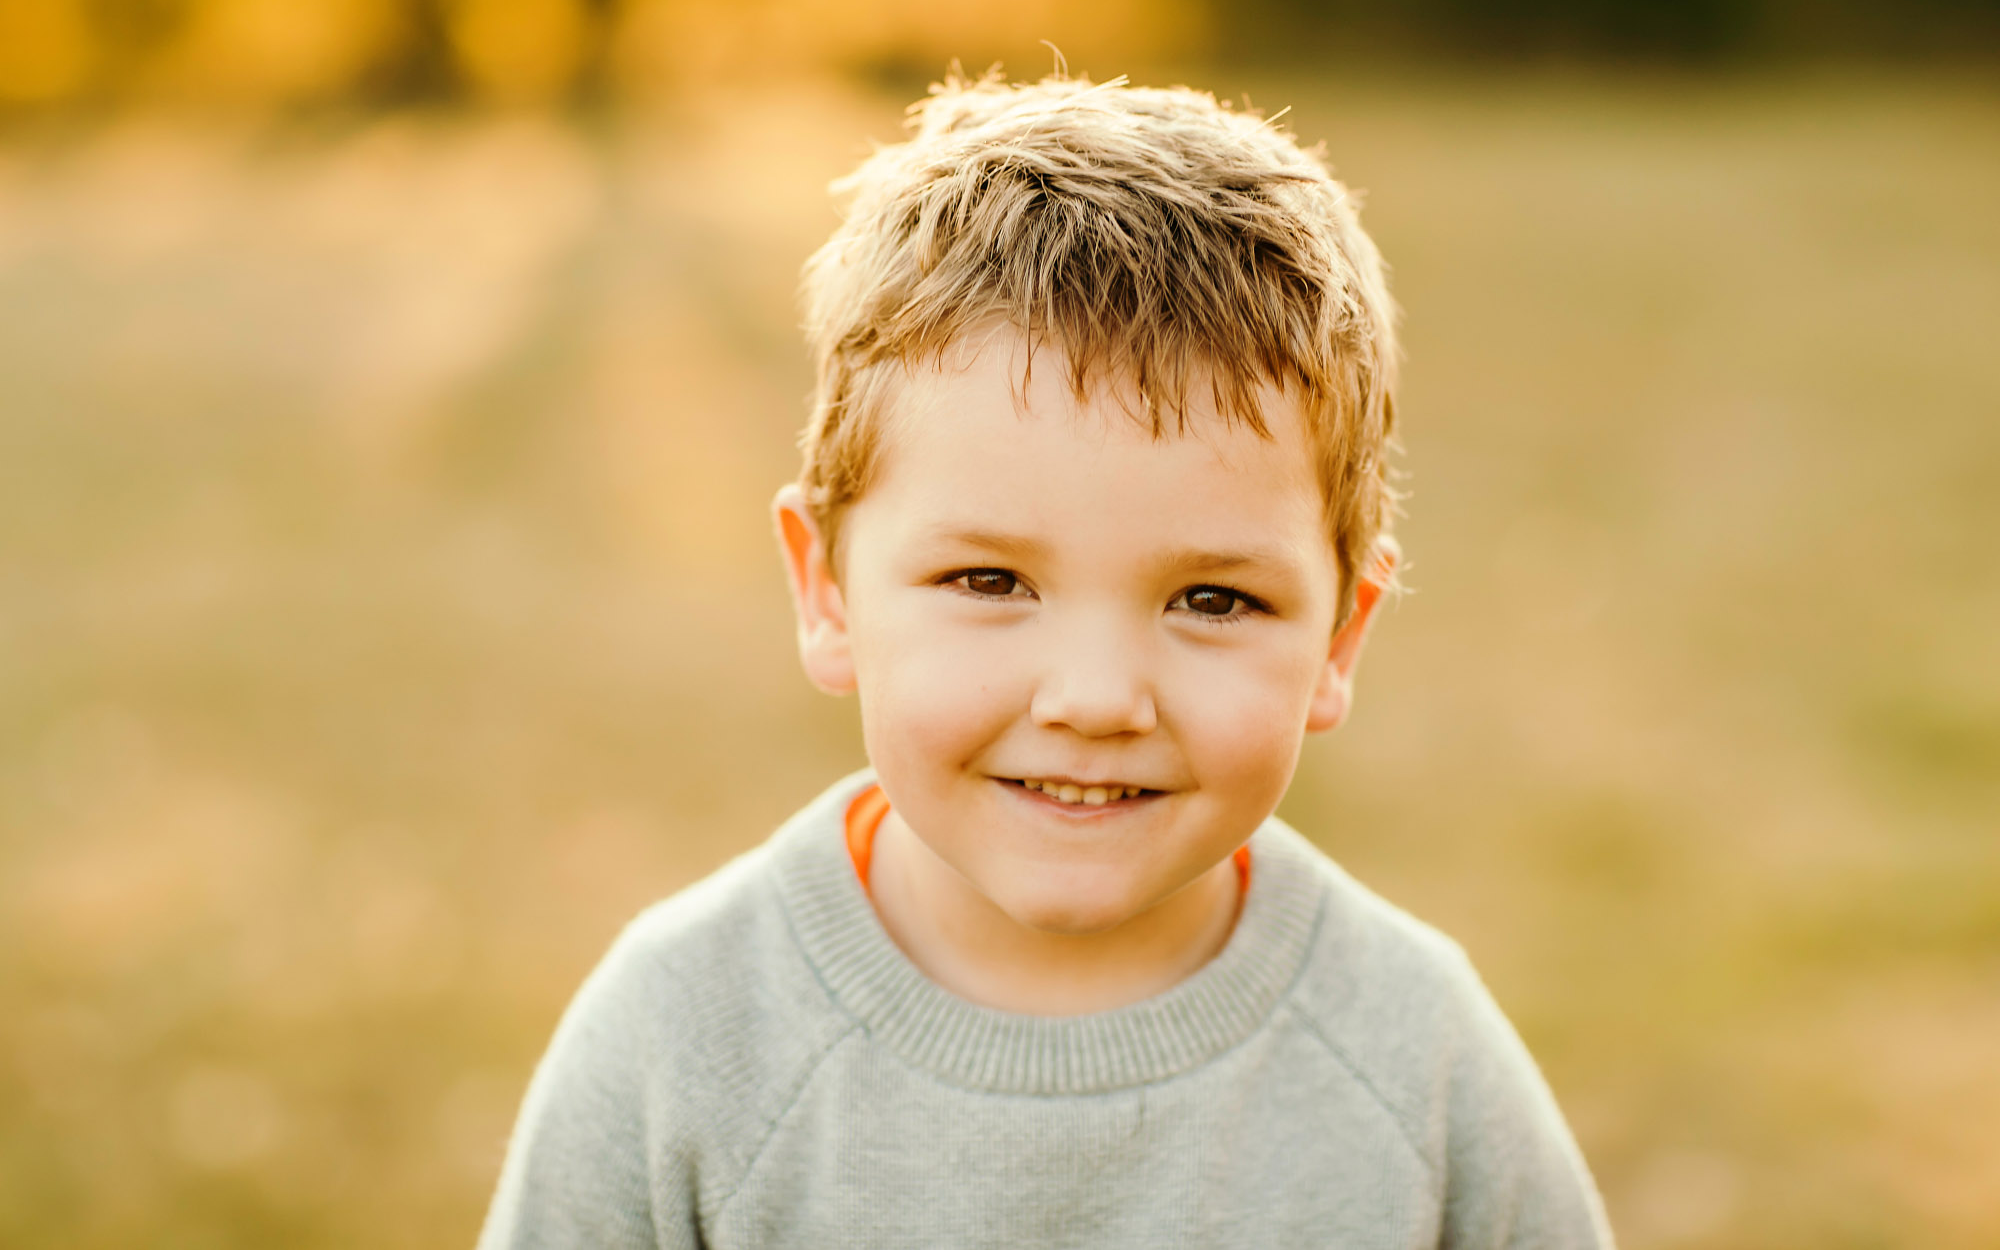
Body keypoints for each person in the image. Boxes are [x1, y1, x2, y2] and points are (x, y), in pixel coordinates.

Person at [478, 71, 1616, 1248]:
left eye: (1212, 599)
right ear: (826, 589)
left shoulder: (1411, 1058)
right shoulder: (684, 1038)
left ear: (1339, 638)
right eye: (989, 582)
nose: (1094, 699)